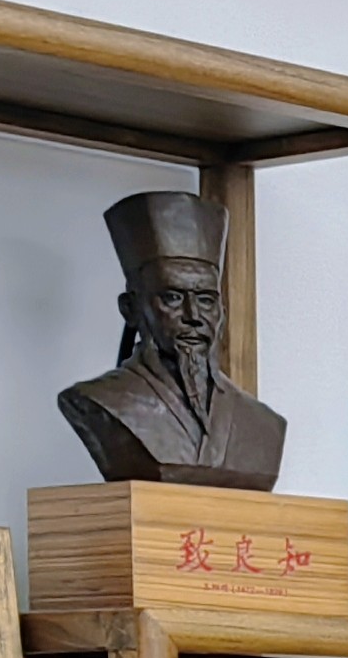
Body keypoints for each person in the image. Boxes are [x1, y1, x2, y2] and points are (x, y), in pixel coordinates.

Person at [56, 192, 289, 493]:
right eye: (172, 298)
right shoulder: (100, 401)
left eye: (206, 300)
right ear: (131, 309)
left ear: (222, 311)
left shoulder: (262, 423)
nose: (193, 316)